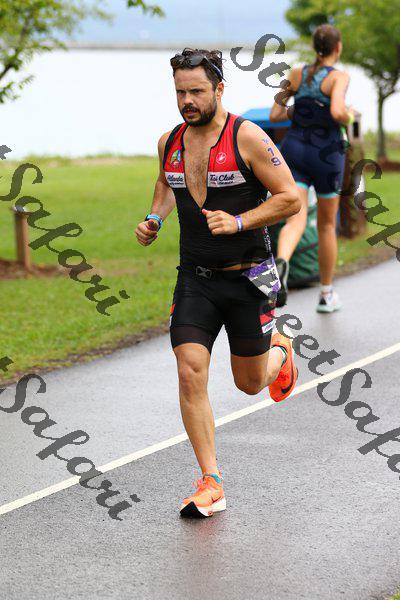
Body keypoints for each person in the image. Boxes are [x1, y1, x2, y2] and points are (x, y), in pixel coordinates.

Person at [135, 48, 301, 517]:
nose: (187, 101)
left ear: (220, 89)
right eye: (180, 92)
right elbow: (166, 184)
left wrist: (240, 221)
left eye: (196, 91)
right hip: (195, 279)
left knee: (250, 384)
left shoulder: (247, 137)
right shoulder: (169, 141)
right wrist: (154, 219)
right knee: (189, 369)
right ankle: (212, 481)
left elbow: (290, 198)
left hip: (250, 277)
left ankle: (280, 353)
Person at [269, 24, 355, 312]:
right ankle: (326, 295)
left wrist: (303, 110)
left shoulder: (296, 73)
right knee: (327, 225)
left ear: (314, 46)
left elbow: (275, 113)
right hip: (326, 155)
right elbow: (337, 111)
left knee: (295, 220)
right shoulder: (339, 77)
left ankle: (282, 261)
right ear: (338, 47)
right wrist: (349, 115)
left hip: (294, 149)